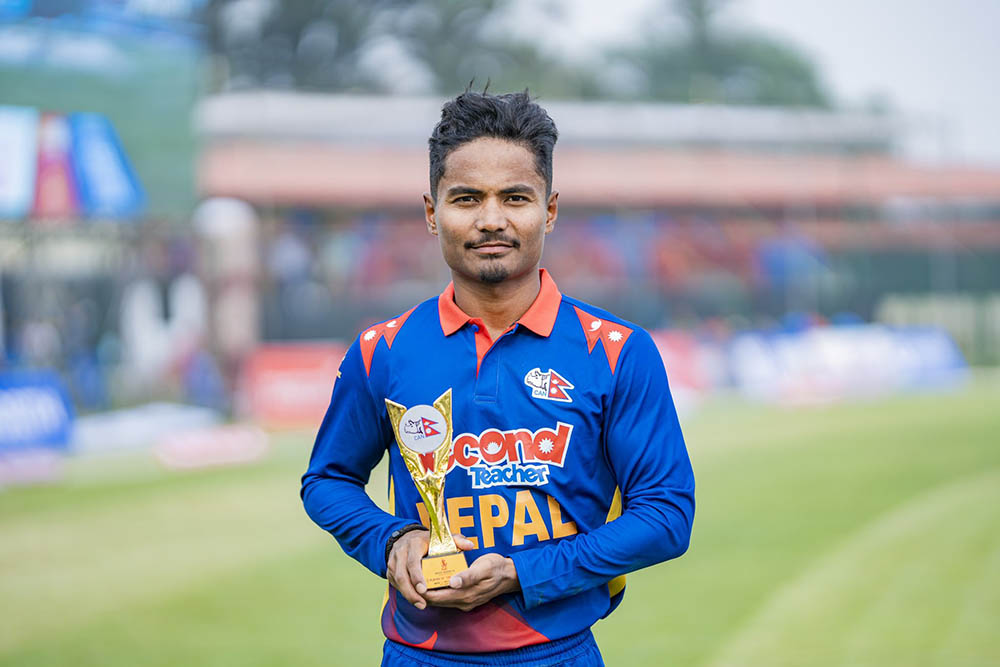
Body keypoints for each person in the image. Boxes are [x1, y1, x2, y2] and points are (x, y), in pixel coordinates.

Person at [301, 90, 695, 666]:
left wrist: (522, 572)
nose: (491, 220)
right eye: (467, 198)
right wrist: (392, 540)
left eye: (515, 198)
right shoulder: (381, 350)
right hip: (419, 654)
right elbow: (327, 480)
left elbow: (666, 515)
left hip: (557, 653)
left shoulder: (615, 351)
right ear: (432, 212)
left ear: (549, 210)